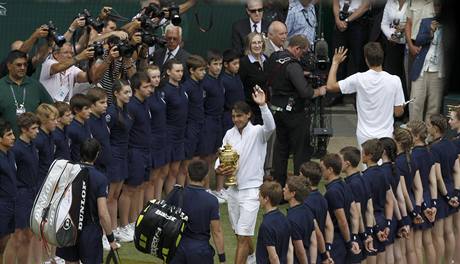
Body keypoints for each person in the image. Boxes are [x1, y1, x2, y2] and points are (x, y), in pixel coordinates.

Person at [217, 87, 275, 263]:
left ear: (248, 115)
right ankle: (252, 257)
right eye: (234, 116)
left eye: (239, 116)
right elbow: (222, 158)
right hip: (232, 190)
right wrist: (219, 169)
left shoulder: (259, 132)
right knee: (239, 233)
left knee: (243, 236)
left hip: (251, 191)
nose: (236, 120)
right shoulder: (229, 134)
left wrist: (263, 105)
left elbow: (271, 126)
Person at [269, 35, 326, 189]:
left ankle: (278, 188)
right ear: (296, 49)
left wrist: (302, 74)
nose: (304, 56)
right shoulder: (293, 65)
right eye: (303, 52)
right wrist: (319, 91)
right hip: (294, 113)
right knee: (301, 152)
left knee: (281, 149)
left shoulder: (274, 57)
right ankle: (298, 188)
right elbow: (306, 92)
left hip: (276, 109)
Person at [326, 42, 405, 146]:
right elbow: (398, 112)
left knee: (367, 162)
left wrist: (335, 63)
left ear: (366, 59)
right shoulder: (395, 80)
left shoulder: (358, 79)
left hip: (364, 136)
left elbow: (330, 86)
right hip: (386, 136)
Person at [56, 139, 118, 263]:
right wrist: (111, 239)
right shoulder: (100, 178)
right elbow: (103, 214)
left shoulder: (68, 173)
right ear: (97, 155)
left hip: (69, 226)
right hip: (90, 231)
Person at [169, 160, 226, 264]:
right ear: (205, 177)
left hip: (176, 249)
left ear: (188, 174)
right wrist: (222, 259)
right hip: (200, 251)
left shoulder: (176, 194)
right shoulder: (211, 200)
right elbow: (216, 231)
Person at [393, 127, 436, 264]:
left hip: (405, 207)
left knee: (406, 250)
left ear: (398, 142)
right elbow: (418, 188)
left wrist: (412, 212)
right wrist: (417, 208)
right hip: (413, 204)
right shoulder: (411, 158)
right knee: (413, 248)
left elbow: (404, 192)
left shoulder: (398, 162)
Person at [120, 72, 152, 241]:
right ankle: (124, 225)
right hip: (134, 152)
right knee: (129, 189)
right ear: (136, 89)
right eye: (146, 87)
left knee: (140, 187)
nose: (150, 90)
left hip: (146, 151)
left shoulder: (145, 103)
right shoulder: (131, 106)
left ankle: (135, 221)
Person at [4, 113, 40, 264]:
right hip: (20, 195)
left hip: (32, 193)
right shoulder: (16, 149)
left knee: (28, 236)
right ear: (24, 130)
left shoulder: (32, 144)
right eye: (34, 128)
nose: (37, 131)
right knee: (16, 238)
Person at [426, 114, 459, 264]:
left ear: (435, 128)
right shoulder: (451, 144)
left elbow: (437, 178)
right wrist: (456, 193)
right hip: (452, 190)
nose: (427, 128)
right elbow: (457, 171)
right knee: (450, 232)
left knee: (438, 236)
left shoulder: (433, 149)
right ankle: (451, 261)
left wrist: (446, 197)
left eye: (429, 125)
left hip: (441, 194)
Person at [339, 146, 377, 262]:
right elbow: (370, 208)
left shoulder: (352, 184)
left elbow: (357, 213)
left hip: (356, 231)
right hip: (363, 229)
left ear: (347, 163)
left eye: (340, 160)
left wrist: (360, 236)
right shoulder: (362, 178)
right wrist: (368, 232)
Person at [106, 80, 133, 242]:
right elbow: (105, 135)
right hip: (114, 156)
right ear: (116, 93)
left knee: (116, 195)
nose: (129, 95)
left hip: (124, 155)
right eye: (125, 92)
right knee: (110, 196)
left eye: (130, 92)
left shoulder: (126, 109)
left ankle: (115, 228)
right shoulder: (111, 112)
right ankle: (109, 230)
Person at [0, 50, 53, 134]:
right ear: (9, 66)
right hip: (7, 141)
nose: (22, 68)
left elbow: (50, 109)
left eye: (25, 64)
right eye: (18, 65)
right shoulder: (1, 85)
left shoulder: (35, 85)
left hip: (33, 140)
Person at [321, 153, 361, 263]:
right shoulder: (344, 184)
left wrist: (349, 243)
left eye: (322, 168)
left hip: (338, 239)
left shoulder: (332, 192)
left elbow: (342, 220)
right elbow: (354, 213)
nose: (321, 172)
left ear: (330, 170)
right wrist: (354, 237)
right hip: (346, 236)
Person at [409, 0, 444, 122]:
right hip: (422, 68)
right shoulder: (427, 21)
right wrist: (430, 32)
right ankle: (415, 134)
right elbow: (418, 40)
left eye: (439, 5)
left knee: (433, 107)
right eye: (435, 5)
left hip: (439, 70)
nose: (437, 8)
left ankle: (431, 136)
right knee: (415, 102)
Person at [360, 139, 394, 264]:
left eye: (363, 152)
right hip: (382, 218)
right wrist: (388, 223)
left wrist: (375, 228)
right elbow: (390, 201)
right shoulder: (383, 173)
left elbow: (368, 207)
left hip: (371, 222)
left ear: (369, 155)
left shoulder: (365, 178)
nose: (361, 155)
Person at [378, 137, 410, 264]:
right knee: (397, 253)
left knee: (388, 253)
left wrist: (399, 222)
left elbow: (394, 199)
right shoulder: (395, 169)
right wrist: (403, 220)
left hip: (388, 216)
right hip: (396, 216)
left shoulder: (382, 172)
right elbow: (400, 198)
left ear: (384, 151)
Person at [199, 50, 225, 199]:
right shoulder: (206, 82)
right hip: (208, 121)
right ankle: (206, 188)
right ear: (208, 65)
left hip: (218, 121)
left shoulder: (219, 80)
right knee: (206, 157)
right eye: (215, 64)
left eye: (220, 64)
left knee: (216, 154)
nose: (218, 67)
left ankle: (215, 188)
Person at [180, 56, 206, 195]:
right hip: (190, 126)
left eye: (204, 70)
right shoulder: (187, 87)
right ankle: (184, 190)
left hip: (200, 125)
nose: (203, 73)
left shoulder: (200, 84)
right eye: (201, 70)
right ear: (191, 71)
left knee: (197, 157)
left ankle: (195, 187)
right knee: (186, 163)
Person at [300, 161, 334, 263]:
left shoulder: (305, 203)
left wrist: (324, 255)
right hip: (320, 249)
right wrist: (327, 248)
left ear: (307, 180)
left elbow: (317, 232)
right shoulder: (322, 198)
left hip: (310, 252)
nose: (298, 178)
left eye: (300, 175)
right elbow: (329, 225)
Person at [162, 59, 188, 192]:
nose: (180, 74)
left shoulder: (183, 88)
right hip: (168, 134)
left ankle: (174, 200)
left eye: (182, 71)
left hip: (180, 134)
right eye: (177, 71)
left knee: (175, 170)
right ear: (168, 72)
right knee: (164, 171)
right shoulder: (165, 91)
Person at [145, 65, 168, 202]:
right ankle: (150, 206)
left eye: (158, 76)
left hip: (162, 137)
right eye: (153, 77)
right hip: (152, 139)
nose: (157, 79)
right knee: (151, 178)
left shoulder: (159, 93)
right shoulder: (147, 97)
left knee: (161, 173)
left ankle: (158, 202)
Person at [283, 175, 317, 264]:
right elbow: (313, 241)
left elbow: (299, 250)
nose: (283, 189)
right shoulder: (308, 211)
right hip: (309, 257)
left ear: (293, 193)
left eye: (286, 188)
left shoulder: (291, 219)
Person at [381, 0, 409, 101]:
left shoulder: (412, 3)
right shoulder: (390, 2)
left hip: (408, 44)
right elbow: (384, 24)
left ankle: (404, 109)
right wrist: (392, 36)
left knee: (406, 78)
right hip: (392, 44)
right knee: (391, 75)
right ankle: (392, 106)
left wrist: (403, 36)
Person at [256, 181, 290, 264]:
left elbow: (273, 257)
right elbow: (290, 248)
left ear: (266, 199)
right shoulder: (284, 219)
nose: (258, 198)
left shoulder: (266, 225)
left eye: (260, 196)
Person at [239, 32, 269, 126]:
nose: (257, 45)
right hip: (251, 110)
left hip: (265, 107)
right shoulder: (244, 63)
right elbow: (241, 86)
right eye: (254, 43)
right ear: (249, 45)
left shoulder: (266, 59)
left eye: (259, 42)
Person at [0, 119, 16, 264]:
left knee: (6, 240)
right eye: (9, 135)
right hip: (2, 205)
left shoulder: (10, 153)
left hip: (12, 203)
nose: (13, 137)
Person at [87, 88, 111, 174]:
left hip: (106, 165)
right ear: (91, 104)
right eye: (102, 102)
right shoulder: (88, 122)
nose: (106, 105)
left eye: (106, 102)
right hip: (95, 168)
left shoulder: (103, 117)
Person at [221, 49, 245, 132]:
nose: (237, 66)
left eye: (238, 63)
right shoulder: (223, 80)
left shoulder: (237, 77)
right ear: (226, 64)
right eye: (234, 64)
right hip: (229, 117)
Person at [34, 104, 58, 184]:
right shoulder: (38, 140)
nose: (56, 122)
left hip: (49, 178)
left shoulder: (51, 135)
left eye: (56, 119)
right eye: (53, 120)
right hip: (40, 181)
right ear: (43, 120)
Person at [67, 94, 93, 163]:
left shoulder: (87, 122)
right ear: (76, 110)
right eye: (86, 108)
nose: (90, 111)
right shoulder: (71, 129)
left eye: (90, 108)